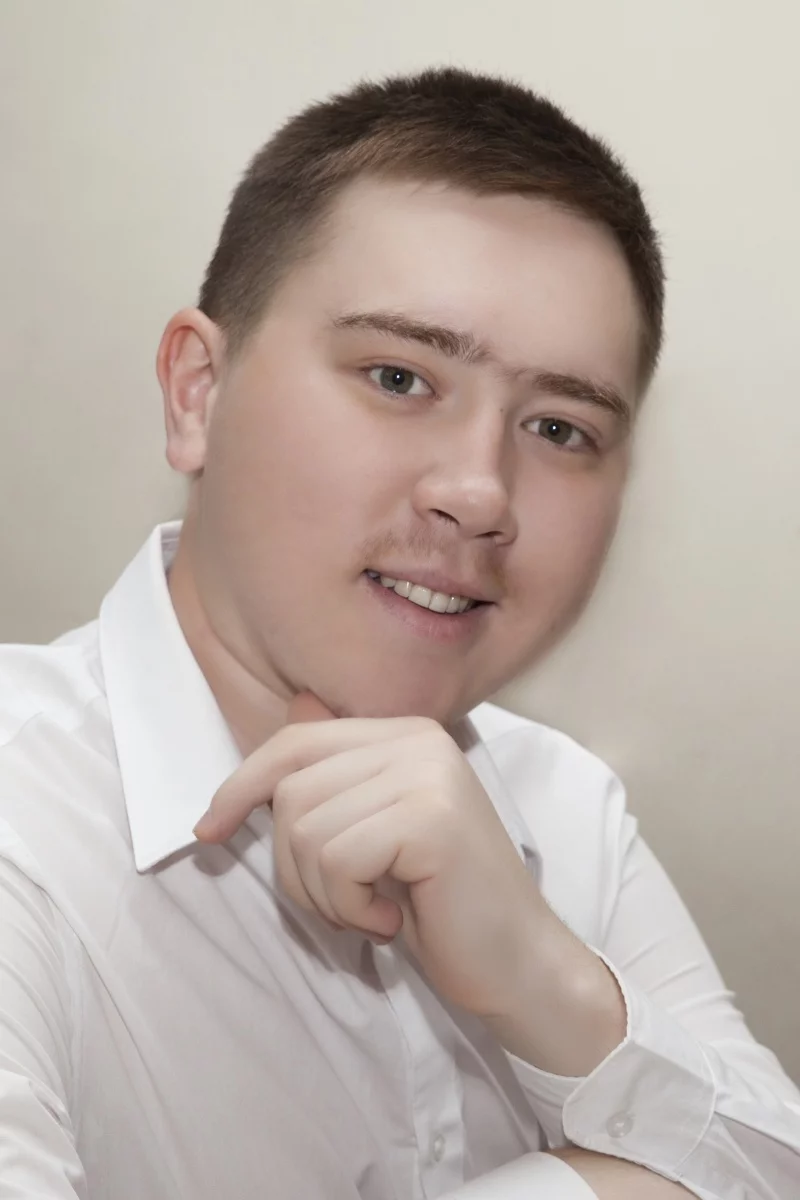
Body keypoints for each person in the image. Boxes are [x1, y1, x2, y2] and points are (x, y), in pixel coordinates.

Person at [0, 66, 797, 1200]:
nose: (479, 493)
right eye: (398, 376)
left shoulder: (563, 807)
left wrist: (539, 975)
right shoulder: (24, 818)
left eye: (559, 429)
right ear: (197, 393)